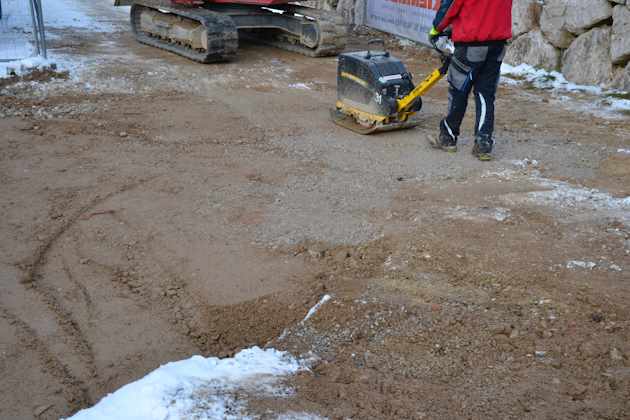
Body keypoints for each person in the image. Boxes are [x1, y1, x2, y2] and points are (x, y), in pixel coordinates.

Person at [428, 0, 513, 161]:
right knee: (485, 94)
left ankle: (448, 137)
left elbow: (449, 8)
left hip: (471, 43)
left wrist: (436, 29)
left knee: (458, 90)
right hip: (497, 45)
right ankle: (483, 142)